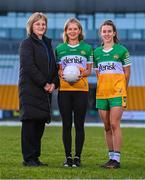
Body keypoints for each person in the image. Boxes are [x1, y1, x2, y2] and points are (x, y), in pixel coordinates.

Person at [19, 12, 59, 167]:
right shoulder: (27, 43)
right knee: (30, 124)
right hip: (30, 90)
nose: (41, 26)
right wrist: (44, 83)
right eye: (38, 24)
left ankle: (35, 157)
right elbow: (29, 66)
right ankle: (28, 158)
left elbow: (54, 68)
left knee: (40, 124)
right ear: (31, 26)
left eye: (43, 24)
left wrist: (54, 83)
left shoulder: (47, 44)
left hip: (44, 91)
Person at [55, 18, 93, 167]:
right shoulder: (59, 49)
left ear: (79, 31)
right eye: (69, 29)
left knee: (79, 125)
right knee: (66, 124)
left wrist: (79, 75)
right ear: (66, 31)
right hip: (64, 90)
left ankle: (77, 157)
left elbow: (89, 70)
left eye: (75, 29)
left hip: (81, 90)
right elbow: (58, 69)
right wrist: (63, 74)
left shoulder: (87, 48)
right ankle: (67, 157)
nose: (72, 31)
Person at [94, 20, 131, 169]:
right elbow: (98, 74)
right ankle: (110, 158)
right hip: (102, 93)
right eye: (104, 31)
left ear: (114, 33)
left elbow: (127, 72)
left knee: (115, 124)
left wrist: (122, 88)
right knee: (107, 126)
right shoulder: (96, 53)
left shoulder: (122, 50)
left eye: (109, 31)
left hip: (117, 92)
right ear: (101, 34)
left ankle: (117, 159)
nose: (107, 34)